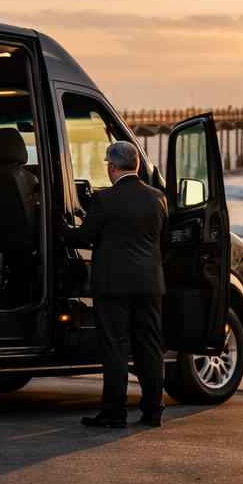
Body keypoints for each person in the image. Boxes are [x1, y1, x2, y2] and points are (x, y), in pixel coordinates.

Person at [70, 140, 169, 429]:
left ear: (113, 167)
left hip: (113, 285)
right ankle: (153, 411)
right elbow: (163, 240)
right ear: (136, 165)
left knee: (115, 348)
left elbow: (84, 237)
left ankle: (114, 413)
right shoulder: (158, 197)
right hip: (150, 284)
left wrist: (62, 228)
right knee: (150, 347)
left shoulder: (105, 199)